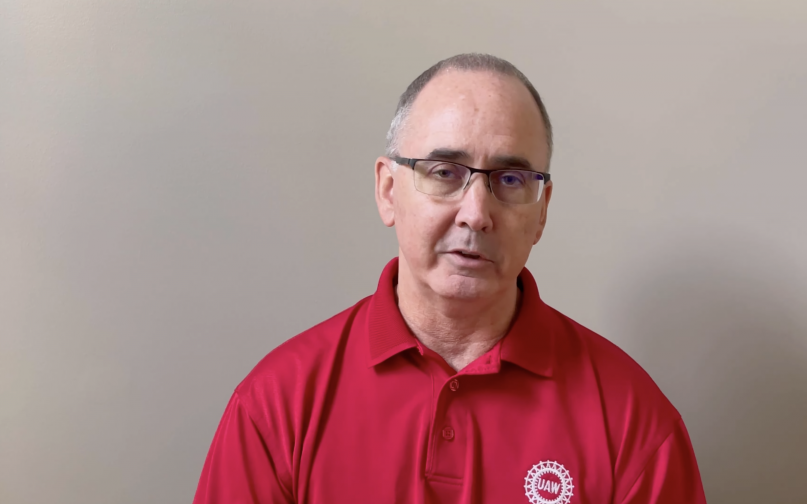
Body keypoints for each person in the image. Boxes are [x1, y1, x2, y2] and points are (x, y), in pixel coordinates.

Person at [193, 53, 707, 504]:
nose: (476, 214)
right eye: (444, 172)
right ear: (388, 190)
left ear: (542, 211)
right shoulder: (276, 405)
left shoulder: (635, 421)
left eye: (510, 179)